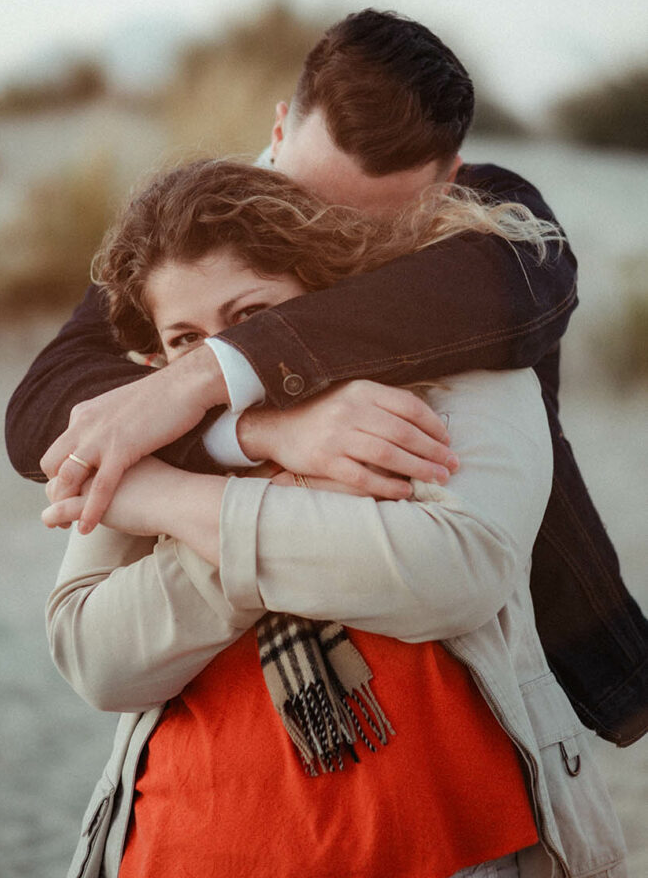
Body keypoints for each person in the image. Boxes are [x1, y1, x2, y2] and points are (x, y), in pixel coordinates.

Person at [6, 8, 647, 745]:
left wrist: (203, 381)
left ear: (450, 177)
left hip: (477, 671)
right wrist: (255, 427)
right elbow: (41, 411)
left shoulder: (488, 236)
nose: (328, 236)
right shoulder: (202, 226)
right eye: (307, 198)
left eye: (370, 226)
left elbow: (523, 287)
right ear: (278, 132)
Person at [44, 160, 627, 878]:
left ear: (317, 294)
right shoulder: (144, 427)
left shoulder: (456, 367)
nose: (219, 358)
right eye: (185, 340)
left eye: (250, 317)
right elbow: (94, 658)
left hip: (454, 851)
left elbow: (452, 572)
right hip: (183, 850)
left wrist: (173, 505)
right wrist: (287, 485)